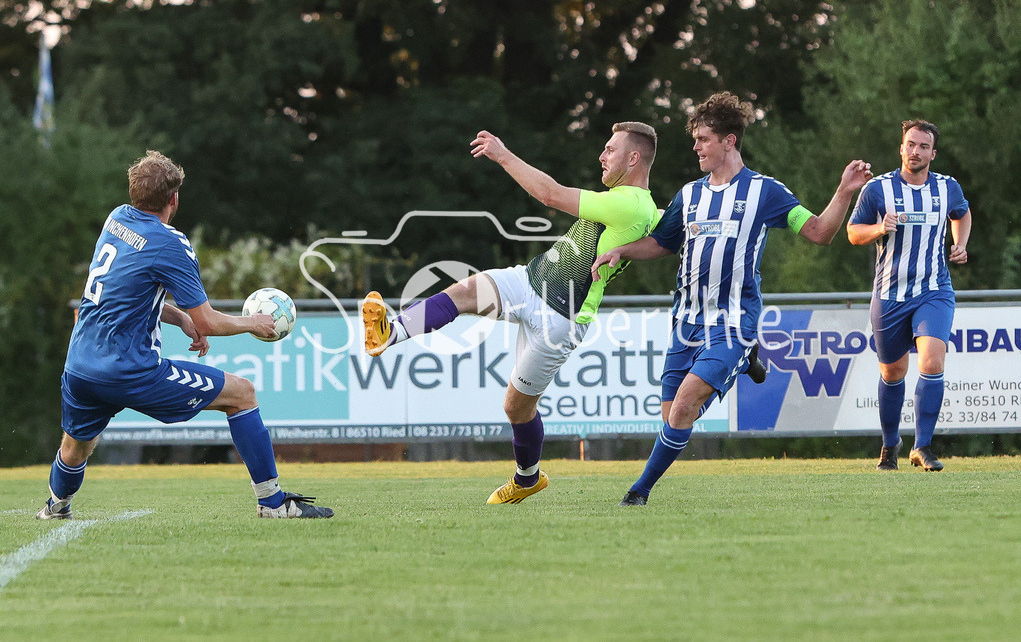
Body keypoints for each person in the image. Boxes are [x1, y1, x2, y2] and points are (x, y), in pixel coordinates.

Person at [591, 92, 874, 506]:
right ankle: (740, 366)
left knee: (684, 406)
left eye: (703, 139)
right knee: (673, 416)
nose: (695, 147)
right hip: (685, 322)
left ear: (729, 142)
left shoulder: (766, 192)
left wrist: (844, 192)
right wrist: (622, 250)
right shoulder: (689, 195)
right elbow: (661, 242)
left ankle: (638, 492)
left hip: (732, 322)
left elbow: (818, 232)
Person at [361, 123, 663, 504]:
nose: (602, 156)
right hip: (529, 281)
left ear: (634, 158)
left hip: (561, 319)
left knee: (516, 406)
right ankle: (390, 332)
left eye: (610, 149)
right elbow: (665, 232)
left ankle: (527, 478)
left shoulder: (630, 203)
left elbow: (550, 194)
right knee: (465, 291)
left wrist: (502, 154)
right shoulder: (642, 206)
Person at [37, 151, 333, 520]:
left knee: (76, 445)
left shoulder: (116, 220)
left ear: (133, 192)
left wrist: (179, 318)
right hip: (130, 370)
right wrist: (253, 322)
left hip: (80, 365)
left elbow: (125, 296)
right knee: (242, 394)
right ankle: (273, 504)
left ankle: (55, 506)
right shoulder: (170, 243)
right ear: (173, 199)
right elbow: (208, 321)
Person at [847, 120, 971, 472]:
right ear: (901, 148)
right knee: (893, 370)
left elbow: (961, 213)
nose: (915, 151)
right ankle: (890, 445)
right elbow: (853, 233)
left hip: (934, 290)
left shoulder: (947, 187)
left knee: (932, 362)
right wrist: (877, 229)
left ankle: (924, 446)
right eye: (909, 144)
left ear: (933, 153)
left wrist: (959, 244)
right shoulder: (878, 189)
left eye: (922, 146)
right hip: (889, 294)